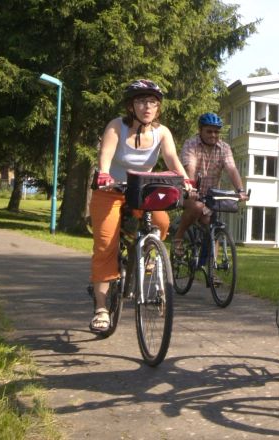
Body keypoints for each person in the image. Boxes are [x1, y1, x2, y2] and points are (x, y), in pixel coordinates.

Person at [89, 79, 193, 332]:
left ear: (158, 108)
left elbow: (171, 159)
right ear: (131, 106)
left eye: (153, 103)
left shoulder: (162, 132)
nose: (147, 107)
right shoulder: (116, 126)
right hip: (110, 190)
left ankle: (147, 251)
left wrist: (185, 180)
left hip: (142, 189)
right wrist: (103, 173)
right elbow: (106, 154)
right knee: (105, 246)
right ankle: (101, 309)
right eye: (141, 101)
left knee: (161, 222)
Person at [173, 112, 248, 258]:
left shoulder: (224, 148)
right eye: (209, 131)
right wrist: (192, 187)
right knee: (197, 207)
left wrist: (240, 190)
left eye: (216, 132)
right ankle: (179, 236)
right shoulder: (191, 144)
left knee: (212, 224)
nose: (213, 135)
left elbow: (231, 169)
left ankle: (211, 271)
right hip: (190, 190)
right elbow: (191, 167)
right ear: (200, 130)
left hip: (211, 196)